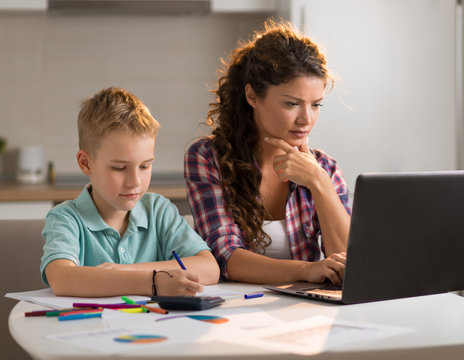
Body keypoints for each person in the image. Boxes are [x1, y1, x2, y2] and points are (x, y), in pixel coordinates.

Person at [185, 20, 351, 284]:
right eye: (292, 104)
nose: (306, 119)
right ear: (252, 96)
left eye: (316, 105)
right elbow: (226, 256)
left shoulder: (325, 168)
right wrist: (306, 270)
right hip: (238, 309)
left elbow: (347, 263)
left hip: (304, 309)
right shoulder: (208, 158)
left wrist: (320, 183)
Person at [41, 87, 219, 297]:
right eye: (119, 168)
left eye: (144, 166)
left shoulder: (159, 211)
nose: (135, 182)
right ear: (86, 163)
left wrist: (122, 270)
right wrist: (154, 282)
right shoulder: (66, 218)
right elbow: (62, 279)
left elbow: (209, 268)